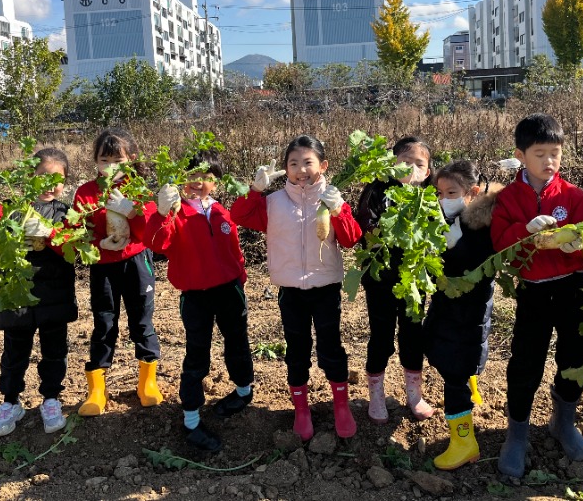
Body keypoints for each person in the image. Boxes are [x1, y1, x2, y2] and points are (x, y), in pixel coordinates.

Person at [231, 135, 362, 440]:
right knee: (297, 349)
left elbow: (351, 239)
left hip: (325, 287)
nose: (301, 169)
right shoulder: (273, 203)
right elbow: (239, 216)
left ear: (323, 165)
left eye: (308, 162)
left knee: (331, 348)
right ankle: (301, 410)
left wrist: (340, 209)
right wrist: (254, 190)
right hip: (290, 290)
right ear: (285, 169)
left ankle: (340, 406)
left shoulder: (331, 199)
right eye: (293, 163)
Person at [490, 113, 583, 478]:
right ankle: (517, 433)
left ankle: (563, 422)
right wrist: (525, 231)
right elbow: (501, 245)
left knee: (576, 355)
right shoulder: (507, 199)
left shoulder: (574, 196)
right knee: (526, 361)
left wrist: (580, 247)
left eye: (555, 152)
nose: (549, 161)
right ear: (520, 155)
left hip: (573, 288)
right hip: (534, 292)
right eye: (540, 153)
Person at [145, 148, 253, 453]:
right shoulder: (175, 212)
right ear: (181, 180)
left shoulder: (221, 211)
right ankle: (191, 421)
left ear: (215, 183)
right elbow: (156, 244)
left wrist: (240, 278)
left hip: (229, 290)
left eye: (206, 177)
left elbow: (234, 250)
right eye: (192, 176)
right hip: (195, 296)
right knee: (197, 353)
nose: (199, 182)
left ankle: (243, 391)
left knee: (237, 342)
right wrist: (161, 212)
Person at [0, 148, 77, 437]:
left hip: (55, 294)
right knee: (15, 352)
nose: (49, 185)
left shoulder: (66, 212)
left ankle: (51, 400)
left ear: (65, 183)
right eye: (42, 176)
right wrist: (8, 235)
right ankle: (10, 402)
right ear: (29, 176)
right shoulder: (5, 208)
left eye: (57, 179)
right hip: (16, 295)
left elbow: (75, 248)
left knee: (55, 351)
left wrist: (49, 234)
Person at [73, 127, 161, 416]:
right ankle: (97, 390)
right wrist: (97, 241)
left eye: (117, 161)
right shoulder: (86, 192)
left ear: (131, 159)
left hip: (136, 262)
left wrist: (132, 210)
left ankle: (147, 383)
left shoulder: (139, 190)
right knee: (104, 323)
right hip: (103, 267)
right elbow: (78, 233)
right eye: (104, 161)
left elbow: (149, 233)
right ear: (96, 162)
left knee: (142, 321)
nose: (110, 167)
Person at [423, 160, 503, 470]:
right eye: (439, 192)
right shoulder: (446, 219)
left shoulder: (483, 225)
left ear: (471, 193)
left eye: (451, 192)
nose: (444, 198)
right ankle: (469, 384)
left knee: (455, 370)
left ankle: (464, 442)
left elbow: (479, 267)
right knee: (443, 352)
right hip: (447, 309)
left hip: (468, 313)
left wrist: (455, 246)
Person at [354, 136, 435, 423]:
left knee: (413, 334)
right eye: (404, 162)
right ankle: (376, 393)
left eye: (418, 164)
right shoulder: (377, 191)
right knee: (381, 335)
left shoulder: (429, 196)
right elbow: (364, 227)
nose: (410, 169)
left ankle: (414, 393)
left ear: (427, 172)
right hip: (381, 278)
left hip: (413, 278)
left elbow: (439, 234)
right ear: (392, 163)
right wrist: (385, 235)